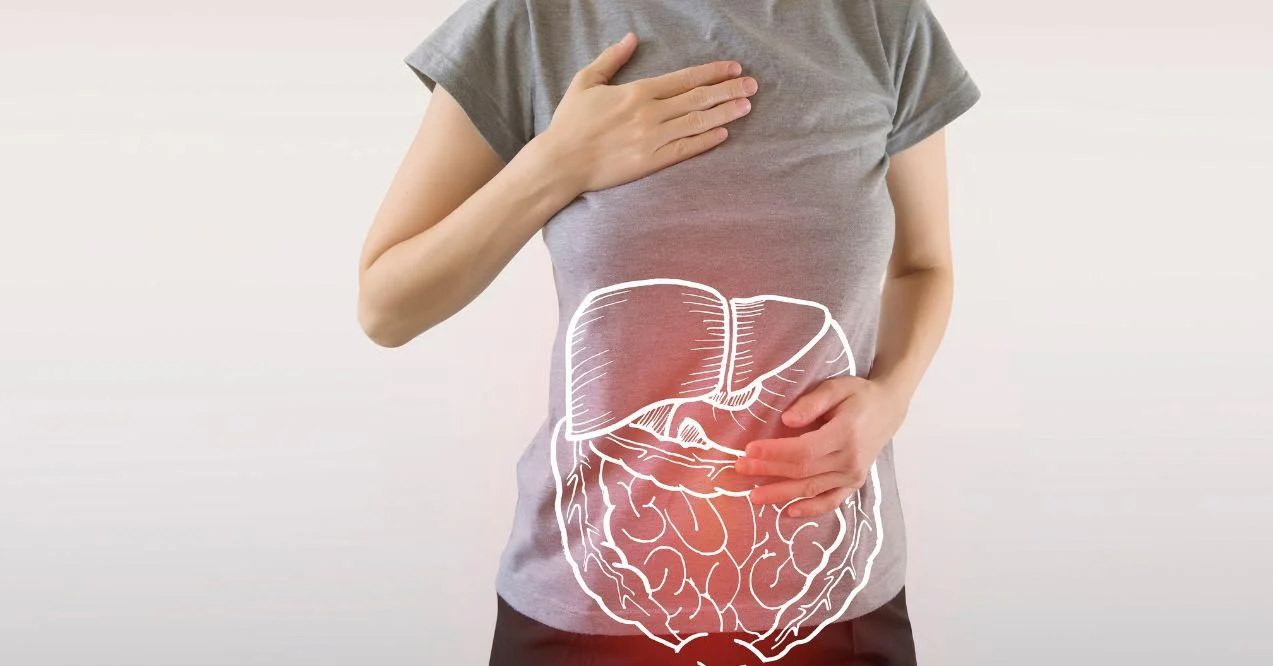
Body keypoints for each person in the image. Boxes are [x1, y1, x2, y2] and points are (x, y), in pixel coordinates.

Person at [357, 1, 979, 663]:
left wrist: (889, 397)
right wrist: (553, 165)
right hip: (581, 621)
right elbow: (386, 306)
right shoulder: (537, 20)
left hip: (836, 613)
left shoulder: (884, 22)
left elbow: (923, 266)